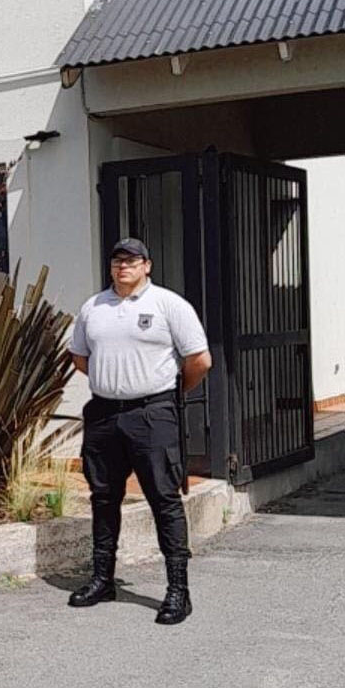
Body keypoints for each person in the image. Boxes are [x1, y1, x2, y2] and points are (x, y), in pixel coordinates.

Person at [67, 237, 212, 625]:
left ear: (147, 265)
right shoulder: (93, 308)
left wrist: (168, 392)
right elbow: (80, 357)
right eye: (117, 260)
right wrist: (113, 384)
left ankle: (178, 590)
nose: (123, 266)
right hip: (103, 415)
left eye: (132, 260)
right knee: (103, 497)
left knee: (163, 499)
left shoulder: (168, 305)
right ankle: (102, 579)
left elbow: (200, 360)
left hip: (152, 414)